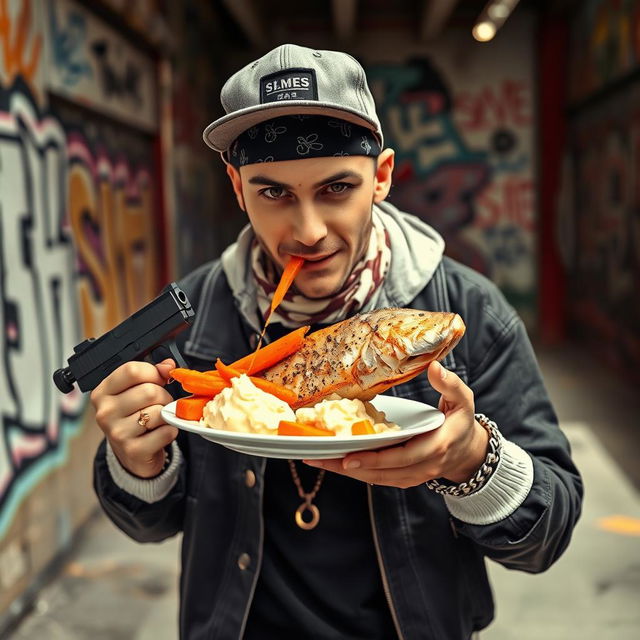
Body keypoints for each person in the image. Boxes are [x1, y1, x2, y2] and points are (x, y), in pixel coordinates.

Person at [91, 44, 583, 640]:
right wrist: (136, 463)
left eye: (335, 188)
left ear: (381, 178)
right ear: (237, 188)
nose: (308, 231)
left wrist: (472, 462)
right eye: (273, 193)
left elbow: (545, 537)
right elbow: (150, 525)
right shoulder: (191, 321)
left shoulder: (469, 311)